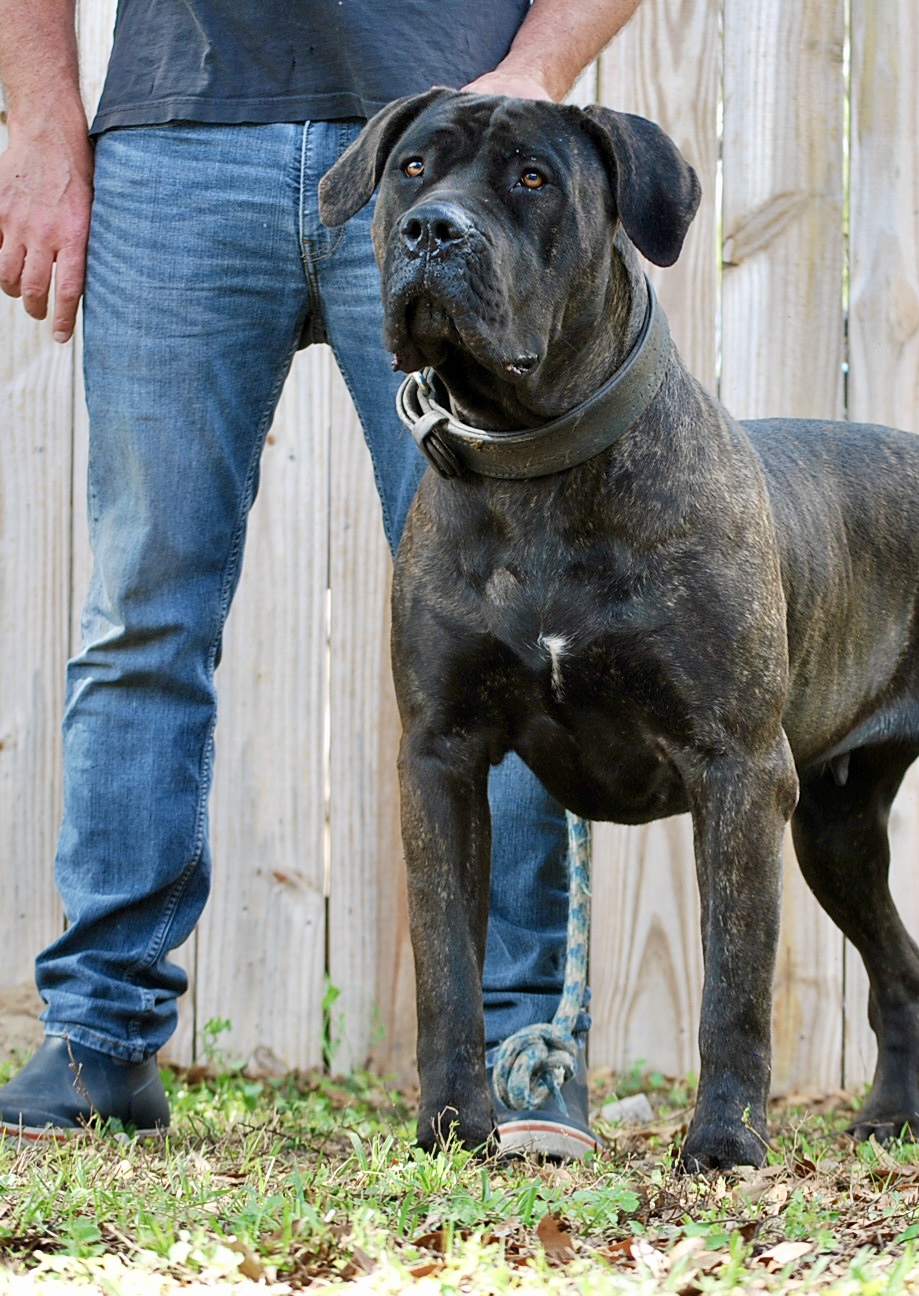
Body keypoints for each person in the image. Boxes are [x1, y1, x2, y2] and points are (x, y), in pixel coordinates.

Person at [0, 0, 641, 1157]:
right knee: (141, 611)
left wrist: (534, 72)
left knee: (509, 621)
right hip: (177, 142)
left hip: (444, 144)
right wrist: (43, 132)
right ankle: (97, 1037)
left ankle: (518, 1053)